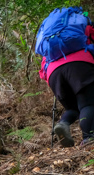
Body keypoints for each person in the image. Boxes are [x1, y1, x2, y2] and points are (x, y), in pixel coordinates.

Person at [39, 12, 94, 148]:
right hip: (79, 65)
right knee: (87, 104)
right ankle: (89, 139)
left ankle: (63, 124)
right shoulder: (84, 27)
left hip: (54, 74)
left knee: (73, 108)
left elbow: (42, 71)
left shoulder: (51, 39)